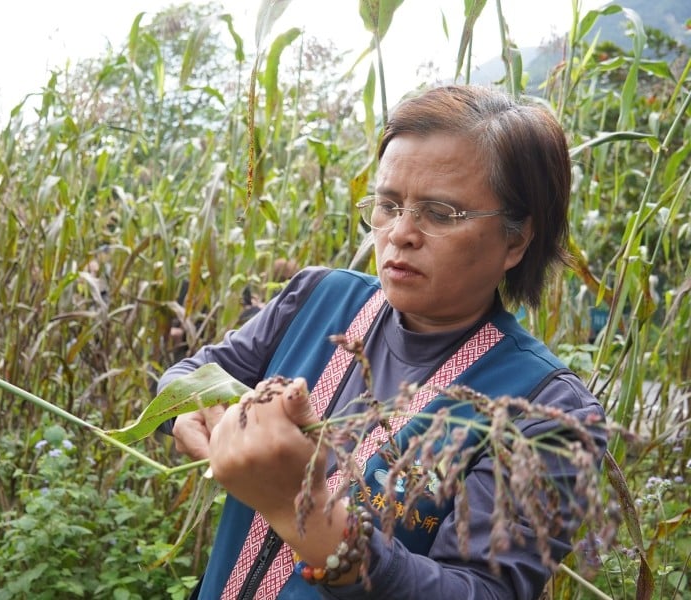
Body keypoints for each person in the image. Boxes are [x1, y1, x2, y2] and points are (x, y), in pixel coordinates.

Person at [157, 84, 607, 599]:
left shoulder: (545, 410)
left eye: (441, 213)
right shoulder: (319, 299)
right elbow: (192, 374)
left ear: (516, 239)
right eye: (388, 204)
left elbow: (482, 590)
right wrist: (199, 413)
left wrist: (303, 512)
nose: (399, 233)